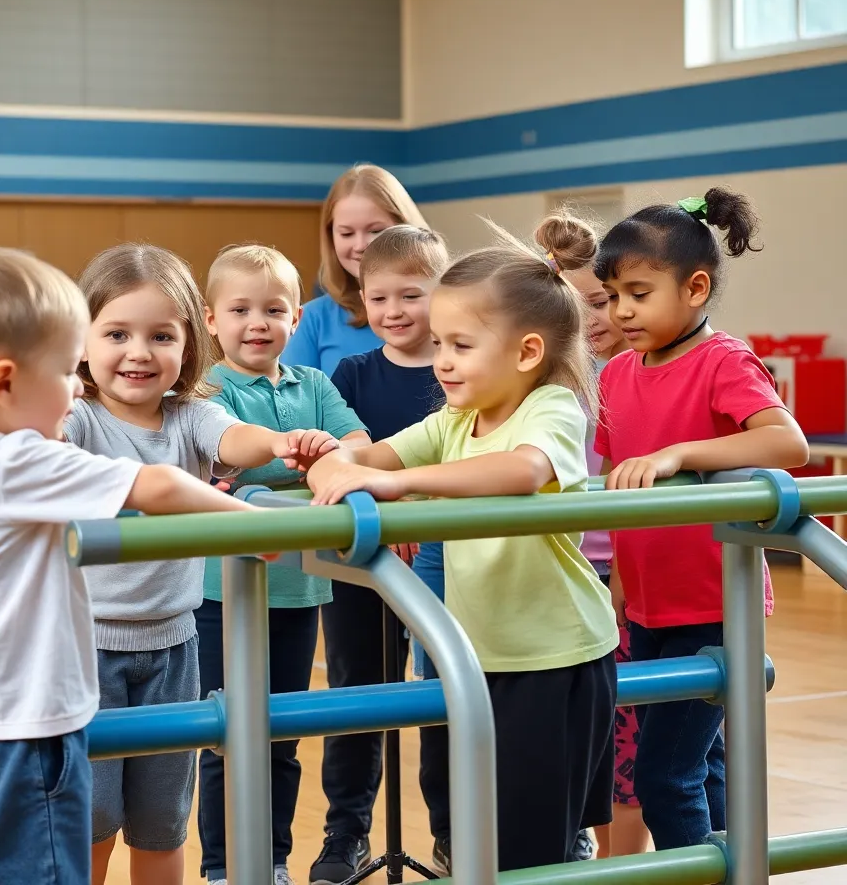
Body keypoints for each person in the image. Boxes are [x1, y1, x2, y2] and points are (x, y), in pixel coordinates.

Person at [0, 246, 273, 885]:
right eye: (68, 371)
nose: (77, 388)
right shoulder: (17, 461)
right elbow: (157, 485)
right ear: (5, 383)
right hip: (23, 719)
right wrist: (253, 527)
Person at [307, 221, 620, 873]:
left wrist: (399, 483)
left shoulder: (550, 408)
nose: (441, 360)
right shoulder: (455, 418)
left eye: (461, 345)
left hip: (554, 658)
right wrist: (330, 462)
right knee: (487, 831)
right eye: (440, 343)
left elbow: (523, 471)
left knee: (533, 850)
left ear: (527, 352)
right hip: (484, 658)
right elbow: (372, 455)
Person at [64, 242, 339, 885]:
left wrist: (280, 441)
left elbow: (233, 439)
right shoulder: (77, 421)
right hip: (87, 648)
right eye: (117, 334)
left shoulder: (190, 415)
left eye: (161, 336)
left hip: (173, 646)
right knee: (92, 816)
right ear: (82, 340)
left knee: (163, 819)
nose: (139, 352)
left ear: (189, 344)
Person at [593, 188, 809, 850]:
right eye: (612, 295)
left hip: (713, 604)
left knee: (664, 776)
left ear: (695, 288)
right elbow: (616, 479)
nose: (621, 311)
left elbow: (787, 442)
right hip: (647, 604)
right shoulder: (616, 374)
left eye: (638, 293)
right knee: (703, 763)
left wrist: (681, 453)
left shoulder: (723, 361)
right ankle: (732, 865)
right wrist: (620, 580)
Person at [198, 244, 371, 885]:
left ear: (296, 318)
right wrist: (288, 457)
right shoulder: (206, 390)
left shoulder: (315, 385)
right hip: (220, 593)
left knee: (282, 736)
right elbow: (224, 457)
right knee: (226, 737)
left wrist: (328, 453)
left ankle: (271, 861)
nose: (257, 323)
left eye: (273, 310)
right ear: (211, 320)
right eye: (240, 310)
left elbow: (358, 443)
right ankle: (223, 867)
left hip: (299, 591)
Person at [317, 225, 451, 883]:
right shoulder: (351, 373)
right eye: (378, 298)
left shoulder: (458, 372)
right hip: (361, 562)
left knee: (443, 692)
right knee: (357, 695)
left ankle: (453, 828)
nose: (393, 311)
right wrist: (382, 510)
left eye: (411, 295)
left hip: (444, 560)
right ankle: (345, 831)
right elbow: (341, 456)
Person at [536, 211, 646, 860]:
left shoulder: (634, 373)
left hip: (625, 576)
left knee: (629, 738)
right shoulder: (547, 384)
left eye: (602, 301)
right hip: (565, 570)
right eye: (576, 304)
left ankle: (623, 862)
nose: (593, 318)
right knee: (587, 735)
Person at [282, 164, 429, 377]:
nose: (360, 245)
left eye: (376, 230)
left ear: (407, 228)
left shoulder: (445, 311)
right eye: (347, 233)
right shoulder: (311, 320)